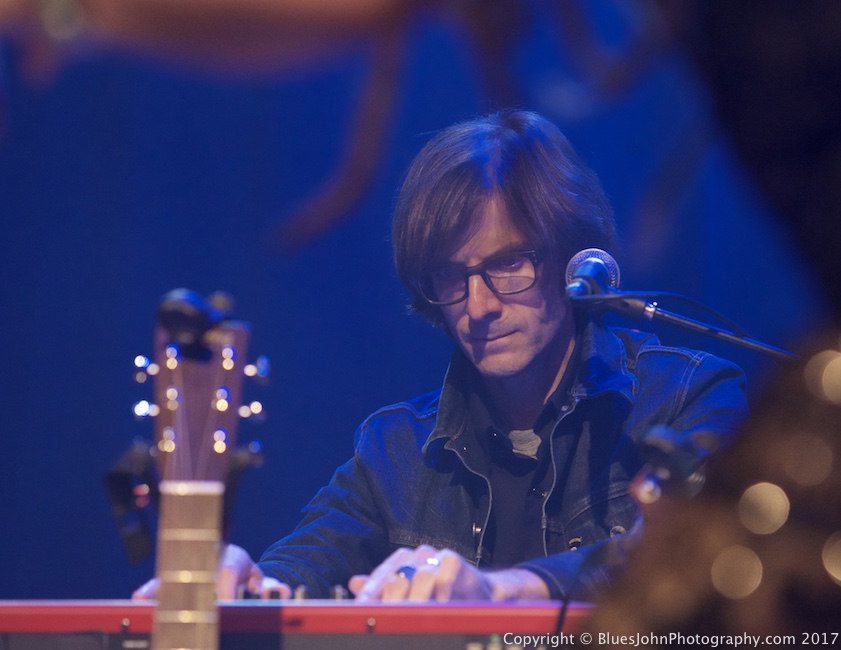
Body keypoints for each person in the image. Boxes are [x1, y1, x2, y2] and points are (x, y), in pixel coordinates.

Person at [134, 109, 748, 603]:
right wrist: (244, 581)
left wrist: (504, 590)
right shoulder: (393, 450)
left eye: (508, 264)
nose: (478, 306)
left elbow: (694, 550)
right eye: (452, 277)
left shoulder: (686, 396)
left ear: (571, 260)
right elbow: (304, 564)